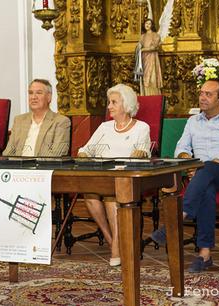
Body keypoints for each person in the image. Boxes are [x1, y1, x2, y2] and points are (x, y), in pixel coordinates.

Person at [0, 79, 71, 259]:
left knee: (14, 187)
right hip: (16, 170)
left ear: (49, 97)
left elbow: (57, 153)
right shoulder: (20, 120)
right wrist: (10, 166)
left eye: (38, 92)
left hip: (41, 173)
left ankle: (24, 241)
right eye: (31, 93)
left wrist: (27, 165)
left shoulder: (60, 122)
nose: (33, 96)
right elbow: (9, 151)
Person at [151, 78, 219, 273]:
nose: (202, 98)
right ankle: (204, 254)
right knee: (206, 190)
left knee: (207, 170)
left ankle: (176, 219)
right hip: (202, 175)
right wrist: (190, 162)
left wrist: (202, 165)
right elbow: (181, 149)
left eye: (208, 94)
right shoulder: (193, 121)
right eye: (201, 93)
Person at [77, 84, 151, 266]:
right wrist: (84, 154)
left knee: (110, 197)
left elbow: (143, 151)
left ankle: (116, 247)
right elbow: (86, 149)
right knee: (90, 196)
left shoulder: (141, 127)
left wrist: (140, 153)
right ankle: (112, 241)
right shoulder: (104, 127)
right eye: (109, 102)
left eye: (113, 102)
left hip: (126, 179)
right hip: (102, 176)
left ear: (126, 105)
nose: (109, 106)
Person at [135, 19, 163, 96]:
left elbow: (154, 47)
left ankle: (153, 95)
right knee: (144, 77)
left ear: (152, 25)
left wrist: (143, 49)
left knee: (152, 77)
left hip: (152, 58)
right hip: (143, 59)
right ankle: (145, 94)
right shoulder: (142, 36)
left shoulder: (155, 35)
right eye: (146, 23)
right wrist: (138, 48)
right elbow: (138, 47)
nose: (147, 25)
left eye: (149, 23)